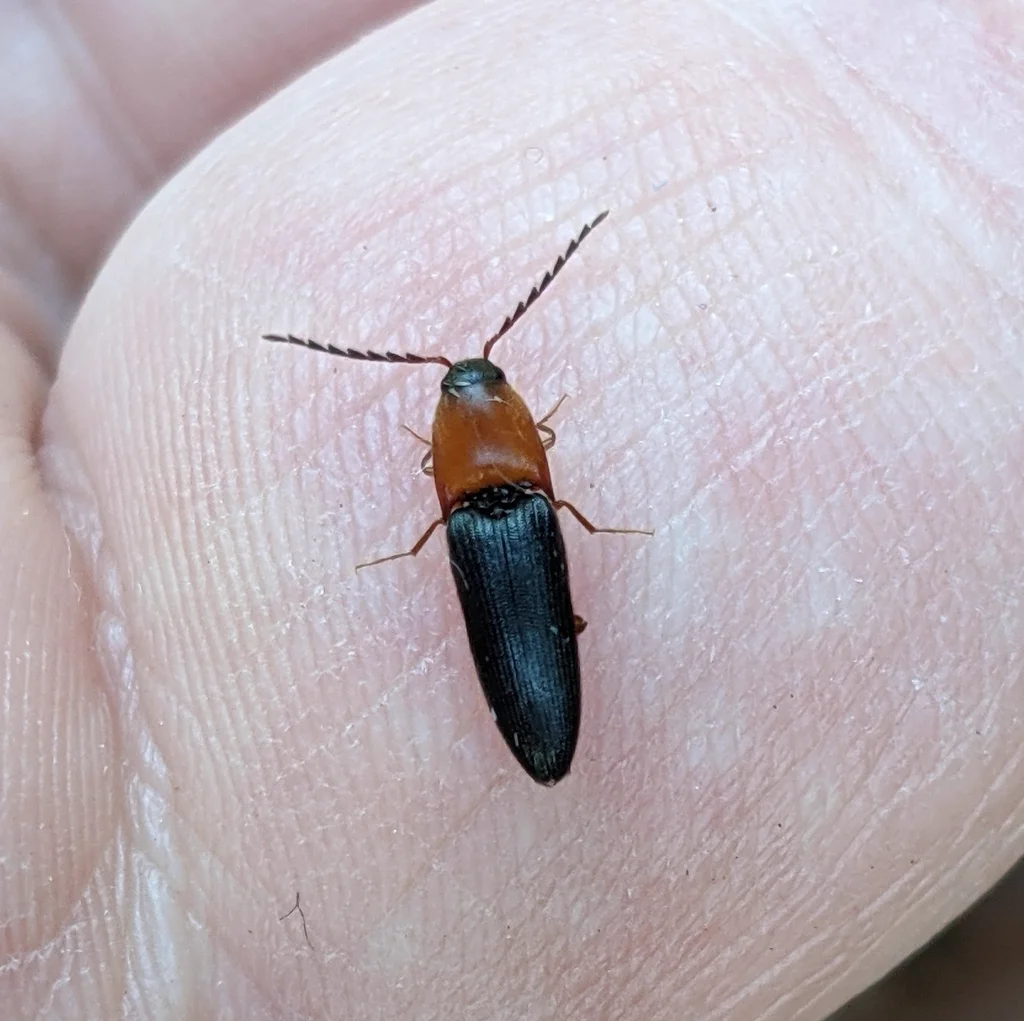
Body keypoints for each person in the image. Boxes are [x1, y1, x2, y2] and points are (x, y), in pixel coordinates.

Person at [2, 2, 1021, 1018]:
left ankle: (542, 744)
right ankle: (541, 744)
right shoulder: (523, 491)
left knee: (525, 660)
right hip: (513, 525)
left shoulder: (478, 501)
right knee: (530, 655)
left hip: (496, 529)